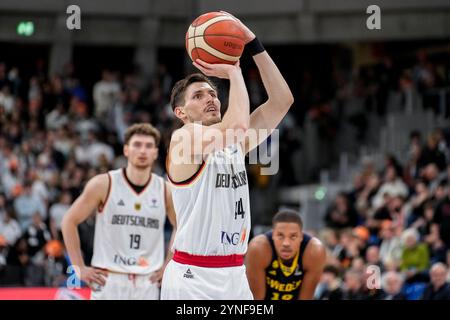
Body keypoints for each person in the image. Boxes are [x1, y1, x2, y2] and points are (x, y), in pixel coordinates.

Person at [161, 11, 294, 300]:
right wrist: (234, 72)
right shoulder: (184, 138)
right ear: (180, 113)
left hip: (234, 274)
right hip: (192, 277)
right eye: (198, 96)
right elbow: (236, 126)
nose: (210, 98)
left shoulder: (231, 144)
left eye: (212, 93)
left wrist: (253, 44)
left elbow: (282, 100)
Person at [62, 123, 177, 300]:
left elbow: (181, 226)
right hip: (109, 279)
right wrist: (78, 267)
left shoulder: (165, 190)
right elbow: (69, 221)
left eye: (148, 146)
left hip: (147, 281)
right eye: (137, 145)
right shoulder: (104, 184)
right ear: (126, 150)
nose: (142, 151)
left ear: (155, 153)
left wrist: (168, 265)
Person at [245, 210, 326, 300]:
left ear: (301, 237)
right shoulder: (258, 248)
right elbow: (257, 299)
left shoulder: (314, 251)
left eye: (293, 236)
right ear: (273, 235)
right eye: (280, 235)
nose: (286, 243)